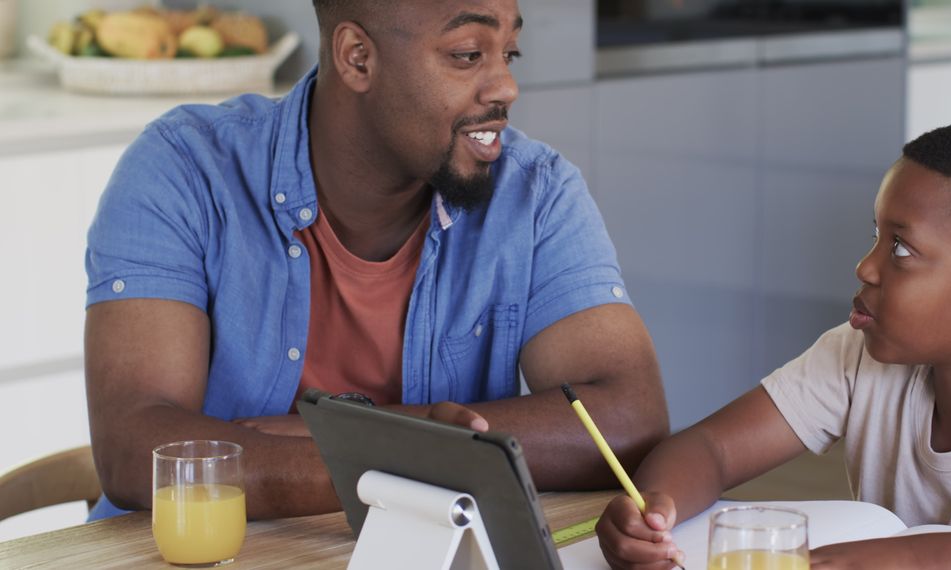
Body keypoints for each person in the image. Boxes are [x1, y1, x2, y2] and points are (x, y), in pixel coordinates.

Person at [83, 0, 670, 520]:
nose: (505, 87)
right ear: (358, 58)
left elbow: (627, 421)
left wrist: (376, 436)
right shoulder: (184, 170)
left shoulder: (535, 194)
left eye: (508, 52)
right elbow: (138, 450)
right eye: (468, 54)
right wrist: (439, 453)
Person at [597, 122, 951, 569]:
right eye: (876, 236)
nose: (865, 268)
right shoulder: (857, 354)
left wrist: (910, 558)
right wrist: (655, 508)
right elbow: (711, 449)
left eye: (900, 250)